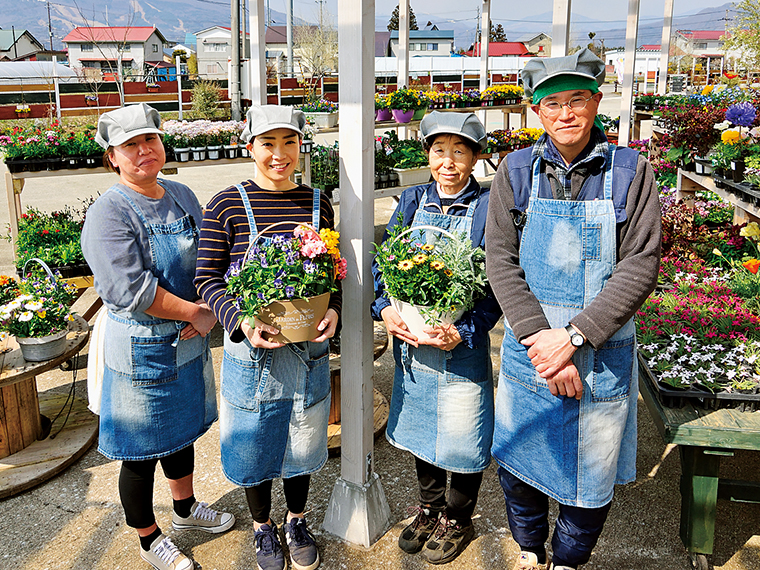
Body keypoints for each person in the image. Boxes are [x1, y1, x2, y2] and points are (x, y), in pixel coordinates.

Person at [485, 48, 662, 570]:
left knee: (591, 471)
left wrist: (576, 337)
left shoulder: (630, 171)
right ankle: (528, 549)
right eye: (553, 103)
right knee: (519, 462)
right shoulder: (516, 171)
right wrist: (542, 339)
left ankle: (568, 559)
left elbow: (640, 264)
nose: (566, 113)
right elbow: (500, 258)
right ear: (534, 111)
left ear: (597, 102)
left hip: (599, 352)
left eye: (578, 99)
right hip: (531, 348)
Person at [81, 103, 235, 570]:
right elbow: (131, 289)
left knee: (182, 431)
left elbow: (212, 256)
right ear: (113, 156)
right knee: (141, 448)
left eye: (149, 139)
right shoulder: (108, 214)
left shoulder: (183, 194)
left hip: (189, 334)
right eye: (130, 145)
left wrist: (211, 307)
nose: (144, 150)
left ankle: (186, 510)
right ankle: (149, 538)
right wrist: (200, 312)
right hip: (141, 344)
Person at [195, 105, 340, 570]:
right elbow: (206, 279)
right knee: (253, 439)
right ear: (248, 147)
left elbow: (330, 273)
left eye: (289, 143)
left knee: (305, 433)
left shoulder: (318, 202)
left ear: (301, 146)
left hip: (308, 347)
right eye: (268, 144)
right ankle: (263, 527)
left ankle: (297, 519)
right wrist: (240, 321)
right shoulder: (226, 204)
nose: (280, 155)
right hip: (252, 350)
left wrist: (333, 308)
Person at [371, 112, 501, 565]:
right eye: (439, 151)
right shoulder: (411, 200)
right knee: (423, 429)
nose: (448, 162)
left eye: (460, 152)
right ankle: (429, 509)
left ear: (475, 158)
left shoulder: (487, 207)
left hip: (460, 345)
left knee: (466, 433)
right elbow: (384, 266)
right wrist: (385, 309)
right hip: (414, 347)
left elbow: (498, 282)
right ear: (427, 154)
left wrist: (464, 329)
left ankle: (459, 518)